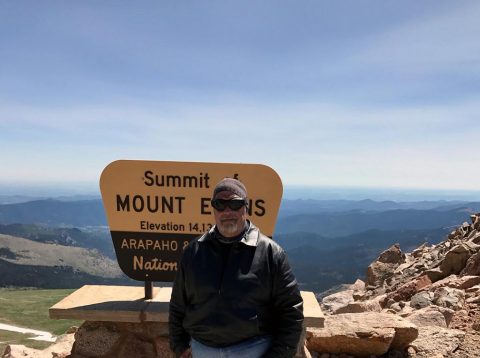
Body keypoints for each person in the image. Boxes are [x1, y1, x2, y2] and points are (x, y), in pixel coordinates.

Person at [169, 178, 304, 358]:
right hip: (202, 350)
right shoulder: (193, 252)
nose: (227, 211)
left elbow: (291, 310)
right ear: (213, 209)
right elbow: (178, 304)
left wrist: (278, 354)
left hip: (254, 349)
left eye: (234, 203)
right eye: (220, 204)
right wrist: (179, 345)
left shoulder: (271, 253)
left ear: (245, 207)